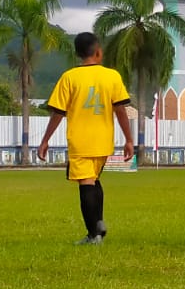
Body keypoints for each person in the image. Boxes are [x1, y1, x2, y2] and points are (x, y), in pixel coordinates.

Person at [36, 31, 134, 244]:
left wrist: (45, 141)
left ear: (78, 53)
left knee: (86, 184)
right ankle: (97, 223)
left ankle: (94, 233)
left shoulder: (69, 77)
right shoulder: (112, 76)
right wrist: (128, 139)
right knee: (94, 180)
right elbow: (120, 110)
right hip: (103, 140)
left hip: (80, 141)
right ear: (98, 52)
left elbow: (58, 113)